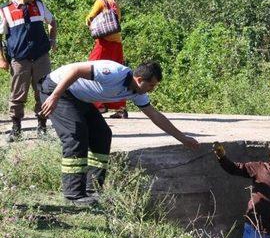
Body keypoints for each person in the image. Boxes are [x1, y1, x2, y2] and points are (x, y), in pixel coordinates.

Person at [38, 60, 200, 206]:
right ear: (139, 80)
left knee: (102, 135)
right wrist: (55, 96)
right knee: (76, 136)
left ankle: (93, 189)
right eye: (151, 86)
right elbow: (76, 70)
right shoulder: (113, 72)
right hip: (56, 88)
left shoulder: (137, 92)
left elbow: (155, 116)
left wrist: (183, 138)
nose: (152, 90)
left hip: (78, 96)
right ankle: (73, 194)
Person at [0, 0, 57, 142]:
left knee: (43, 92)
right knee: (17, 95)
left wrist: (52, 41)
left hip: (41, 57)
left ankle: (42, 127)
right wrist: (2, 59)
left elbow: (52, 21)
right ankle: (16, 129)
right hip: (19, 59)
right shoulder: (5, 11)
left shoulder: (39, 5)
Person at [86, 0, 127, 119]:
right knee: (118, 74)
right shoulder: (114, 2)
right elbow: (117, 20)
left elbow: (89, 18)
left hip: (104, 43)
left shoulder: (100, 1)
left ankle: (99, 105)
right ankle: (121, 108)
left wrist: (91, 25)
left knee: (92, 70)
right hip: (117, 43)